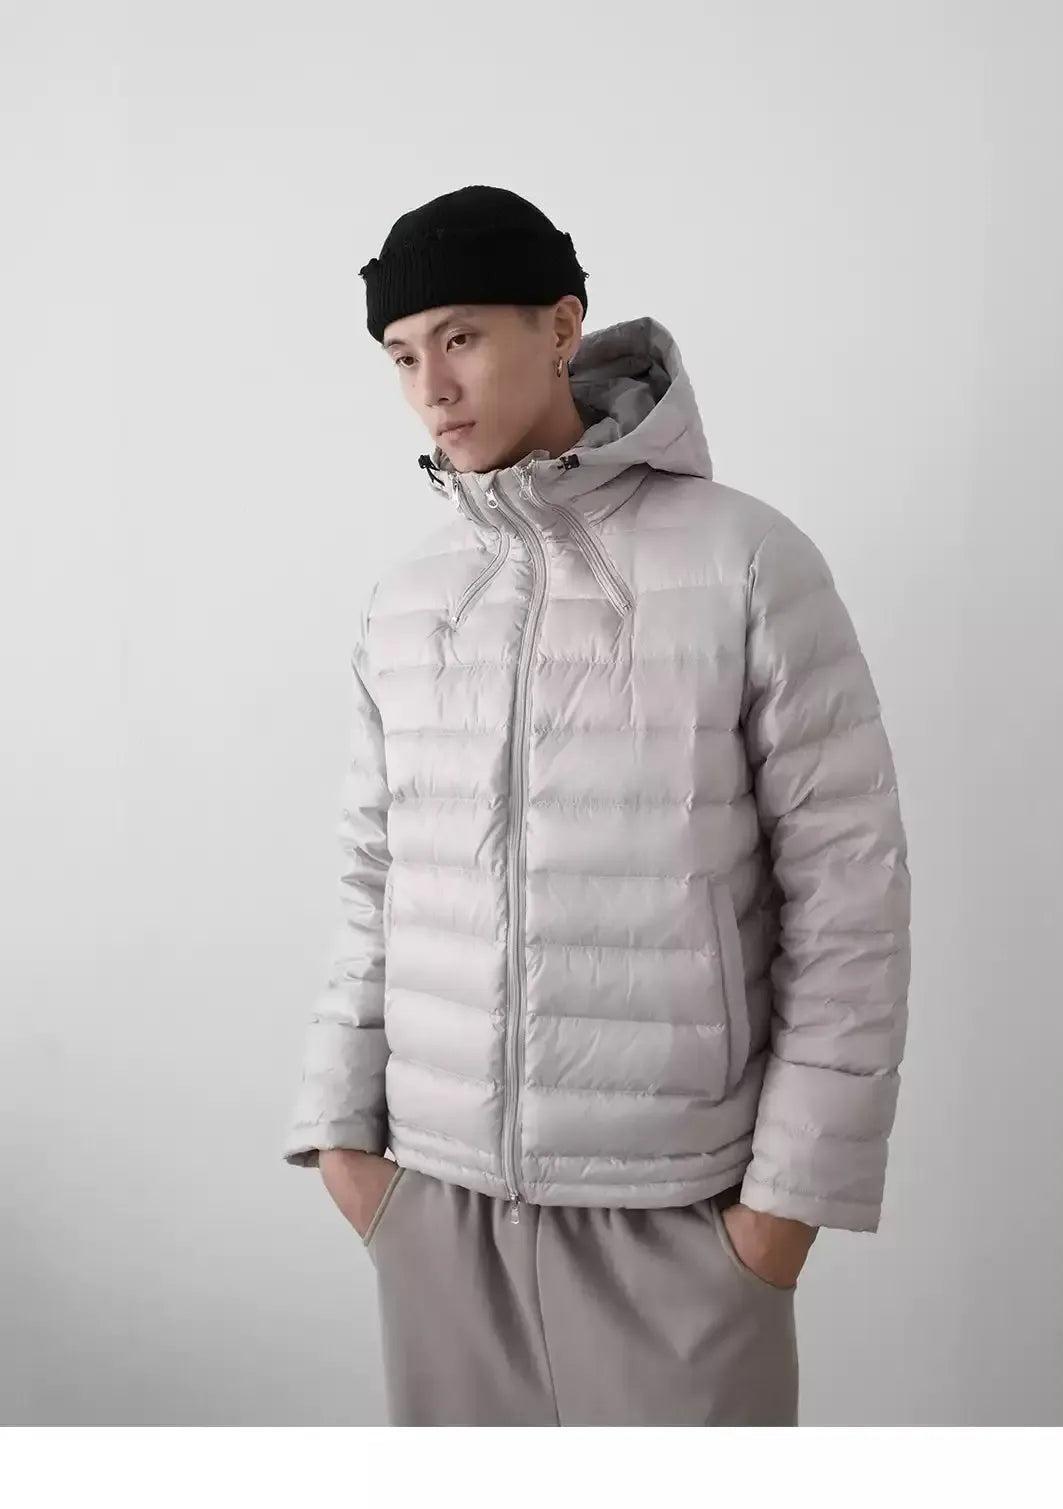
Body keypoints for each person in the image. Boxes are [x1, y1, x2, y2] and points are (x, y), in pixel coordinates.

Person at [282, 184, 912, 1427]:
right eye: (401, 355)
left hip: (678, 1223)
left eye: (461, 337)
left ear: (562, 325)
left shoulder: (745, 562)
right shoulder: (408, 602)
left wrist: (779, 1215)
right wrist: (343, 1146)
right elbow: (373, 882)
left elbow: (849, 896)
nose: (431, 388)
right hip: (439, 1212)